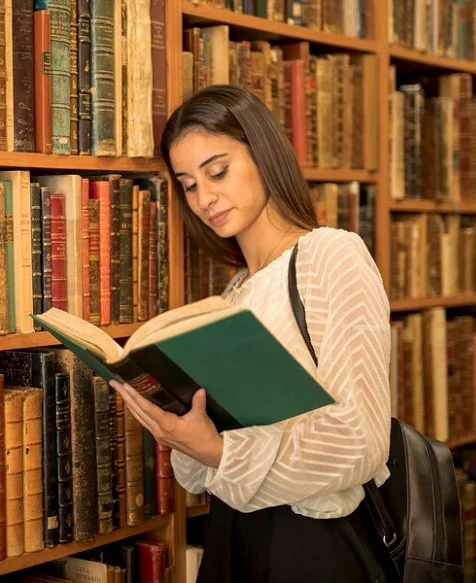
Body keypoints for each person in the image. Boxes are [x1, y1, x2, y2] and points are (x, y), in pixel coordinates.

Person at [109, 85, 394, 582]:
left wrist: (220, 452)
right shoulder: (236, 291)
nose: (205, 197)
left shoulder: (331, 255)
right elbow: (213, 467)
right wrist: (185, 434)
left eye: (217, 171)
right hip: (233, 535)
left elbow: (362, 441)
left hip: (312, 543)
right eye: (188, 184)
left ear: (261, 153)